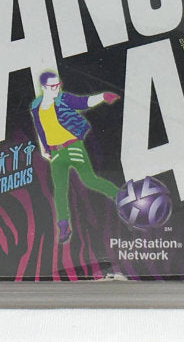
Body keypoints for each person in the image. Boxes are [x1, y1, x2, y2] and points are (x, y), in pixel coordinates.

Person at [29, 70, 121, 244]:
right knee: (60, 190)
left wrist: (102, 96)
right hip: (56, 153)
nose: (57, 89)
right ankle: (63, 225)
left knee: (89, 180)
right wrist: (44, 149)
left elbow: (83, 102)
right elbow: (40, 128)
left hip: (73, 147)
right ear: (43, 87)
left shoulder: (63, 99)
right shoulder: (36, 106)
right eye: (52, 86)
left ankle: (120, 196)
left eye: (58, 85)